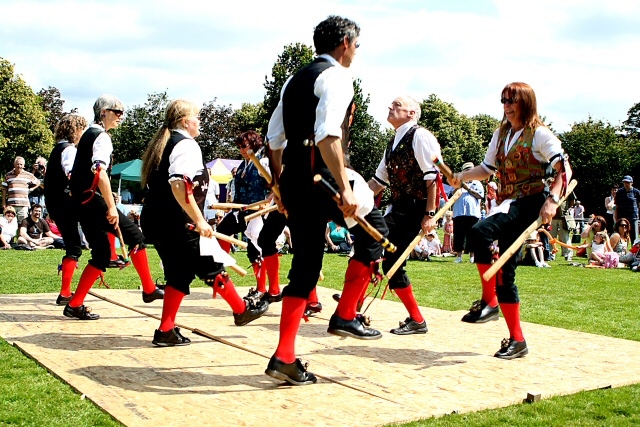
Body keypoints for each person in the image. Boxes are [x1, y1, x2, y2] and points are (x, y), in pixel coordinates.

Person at [265, 15, 387, 386]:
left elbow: (274, 138)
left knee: (305, 264)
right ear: (345, 43)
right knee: (377, 233)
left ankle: (284, 356)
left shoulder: (293, 80)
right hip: (326, 179)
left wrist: (279, 187)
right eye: (357, 45)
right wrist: (346, 189)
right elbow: (328, 134)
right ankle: (346, 314)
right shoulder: (335, 77)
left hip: (296, 180)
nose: (356, 52)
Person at [450, 82, 572, 360]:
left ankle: (489, 301)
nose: (506, 105)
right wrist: (461, 176)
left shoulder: (539, 134)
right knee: (505, 274)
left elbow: (563, 168)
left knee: (479, 232)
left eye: (511, 100)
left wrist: (552, 200)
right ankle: (517, 340)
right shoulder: (501, 133)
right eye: (503, 100)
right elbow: (487, 169)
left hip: (529, 202)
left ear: (526, 103)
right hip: (506, 202)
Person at [141, 99, 268, 346]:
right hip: (178, 221)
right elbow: (179, 184)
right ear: (185, 121)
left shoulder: (165, 143)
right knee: (211, 266)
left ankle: (166, 331)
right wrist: (199, 220)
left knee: (179, 273)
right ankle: (241, 310)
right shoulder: (186, 145)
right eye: (196, 116)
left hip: (157, 220)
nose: (199, 121)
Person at [65, 94, 164, 321]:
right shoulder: (101, 137)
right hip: (93, 200)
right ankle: (148, 289)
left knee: (100, 255)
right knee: (136, 237)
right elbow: (99, 172)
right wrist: (111, 206)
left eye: (122, 112)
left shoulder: (89, 135)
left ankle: (75, 304)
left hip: (82, 202)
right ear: (104, 113)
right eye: (117, 112)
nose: (121, 116)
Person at [369, 94, 441, 336]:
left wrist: (430, 213)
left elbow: (432, 176)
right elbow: (378, 182)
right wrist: (350, 195)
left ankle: (354, 304)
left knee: (376, 244)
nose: (390, 107)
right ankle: (417, 319)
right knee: (389, 262)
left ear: (412, 113)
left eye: (397, 105)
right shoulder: (393, 143)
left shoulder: (420, 135)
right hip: (399, 209)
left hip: (415, 210)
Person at [44, 113, 89, 304]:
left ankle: (65, 292)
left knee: (73, 245)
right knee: (74, 247)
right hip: (65, 204)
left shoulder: (57, 149)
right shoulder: (69, 150)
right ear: (76, 130)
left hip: (55, 203)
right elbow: (73, 175)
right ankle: (65, 294)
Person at [452, 162, 484, 263]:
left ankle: (472, 256)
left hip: (472, 213)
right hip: (459, 213)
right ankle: (459, 256)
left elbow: (480, 196)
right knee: (458, 235)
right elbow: (451, 195)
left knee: (472, 235)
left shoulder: (477, 183)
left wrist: (468, 188)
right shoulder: (458, 183)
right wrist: (460, 186)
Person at [2, 156, 40, 223]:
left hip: (23, 205)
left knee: (22, 224)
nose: (19, 166)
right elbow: (4, 189)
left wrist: (31, 189)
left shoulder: (28, 175)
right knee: (9, 224)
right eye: (17, 164)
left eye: (21, 164)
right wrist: (4, 203)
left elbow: (38, 182)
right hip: (11, 204)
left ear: (24, 166)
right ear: (14, 164)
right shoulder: (8, 175)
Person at [614, 176, 640, 243]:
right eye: (624, 182)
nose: (626, 184)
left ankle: (634, 252)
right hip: (622, 217)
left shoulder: (637, 192)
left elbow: (639, 205)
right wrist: (616, 219)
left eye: (627, 182)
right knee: (621, 235)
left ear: (632, 183)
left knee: (634, 236)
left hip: (633, 218)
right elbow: (617, 206)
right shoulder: (619, 192)